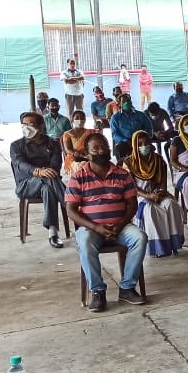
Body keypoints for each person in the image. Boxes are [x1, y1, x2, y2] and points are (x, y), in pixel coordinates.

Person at [66, 132, 147, 313]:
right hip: (91, 228)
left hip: (120, 226)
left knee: (140, 237)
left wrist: (120, 224)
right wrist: (96, 227)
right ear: (87, 154)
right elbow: (71, 210)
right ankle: (97, 291)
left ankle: (126, 287)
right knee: (85, 242)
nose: (101, 151)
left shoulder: (123, 174)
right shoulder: (78, 177)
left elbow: (132, 204)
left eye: (104, 147)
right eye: (95, 148)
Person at [123, 129, 184, 258]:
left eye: (146, 143)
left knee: (171, 205)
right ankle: (158, 248)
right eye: (140, 144)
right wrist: (148, 196)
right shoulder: (129, 163)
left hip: (158, 194)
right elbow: (131, 187)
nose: (144, 146)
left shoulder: (158, 159)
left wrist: (160, 193)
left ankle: (174, 243)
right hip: (140, 196)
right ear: (135, 146)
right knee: (150, 209)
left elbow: (162, 181)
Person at [10, 111, 66, 249]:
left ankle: (52, 233)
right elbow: (20, 163)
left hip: (48, 183)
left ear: (41, 126)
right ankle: (72, 205)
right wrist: (38, 171)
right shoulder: (16, 145)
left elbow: (56, 165)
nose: (26, 128)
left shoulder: (53, 144)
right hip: (26, 185)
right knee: (49, 179)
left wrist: (46, 172)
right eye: (24, 125)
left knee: (48, 186)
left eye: (31, 124)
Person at [108, 93, 154, 162]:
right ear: (119, 104)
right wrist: (126, 140)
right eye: (124, 101)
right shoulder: (115, 118)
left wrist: (144, 138)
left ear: (131, 102)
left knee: (150, 149)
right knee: (119, 149)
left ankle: (147, 169)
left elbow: (149, 128)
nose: (127, 102)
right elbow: (114, 134)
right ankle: (123, 169)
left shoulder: (140, 115)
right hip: (125, 142)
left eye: (128, 100)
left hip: (140, 141)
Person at [61, 110, 91, 174]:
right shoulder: (67, 134)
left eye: (82, 118)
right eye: (77, 118)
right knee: (82, 166)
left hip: (87, 156)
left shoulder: (90, 132)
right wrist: (78, 154)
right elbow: (68, 149)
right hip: (73, 158)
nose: (80, 120)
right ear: (72, 120)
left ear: (85, 120)